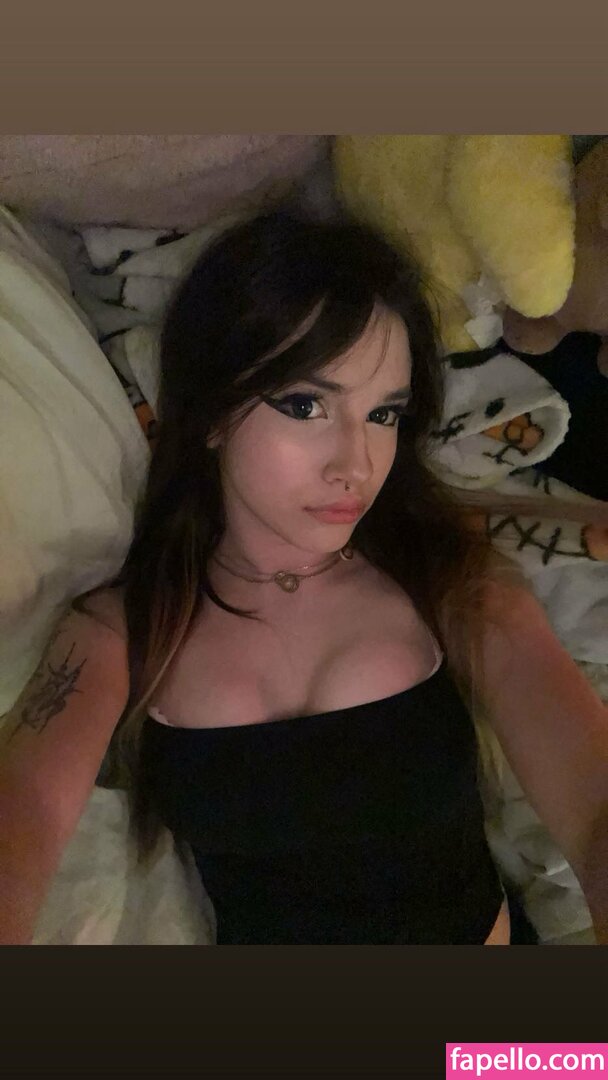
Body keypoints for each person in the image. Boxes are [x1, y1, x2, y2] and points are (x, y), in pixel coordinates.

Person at [1, 206, 607, 946]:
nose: (355, 463)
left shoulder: (447, 578)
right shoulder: (124, 626)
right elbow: (24, 813)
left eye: (384, 415)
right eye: (306, 404)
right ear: (213, 411)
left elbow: (592, 800)